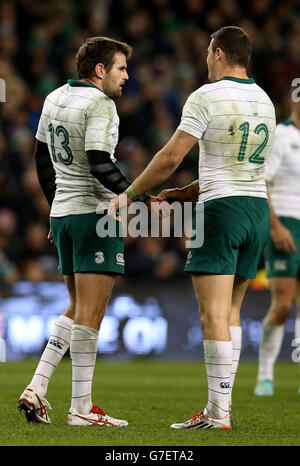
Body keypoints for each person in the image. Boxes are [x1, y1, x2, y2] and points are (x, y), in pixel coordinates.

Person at [109, 26, 276, 429]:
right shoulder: (265, 101)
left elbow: (170, 156)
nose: (205, 59)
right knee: (231, 311)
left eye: (207, 52)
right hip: (255, 210)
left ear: (218, 53)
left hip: (220, 211)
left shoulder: (207, 95)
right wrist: (186, 192)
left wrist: (130, 194)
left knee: (211, 314)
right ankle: (223, 408)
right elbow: (244, 169)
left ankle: (218, 414)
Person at [18, 36, 144, 427]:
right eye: (121, 68)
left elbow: (41, 158)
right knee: (91, 313)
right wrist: (135, 194)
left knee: (76, 307)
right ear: (100, 70)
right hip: (93, 215)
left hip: (64, 215)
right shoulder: (101, 104)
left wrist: (57, 203)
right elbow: (97, 162)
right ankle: (81, 409)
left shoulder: (54, 97)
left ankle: (37, 388)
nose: (127, 76)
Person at [254, 100, 300, 396]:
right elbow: (262, 181)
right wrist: (275, 226)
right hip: (285, 221)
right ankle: (264, 375)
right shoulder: (281, 135)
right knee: (283, 303)